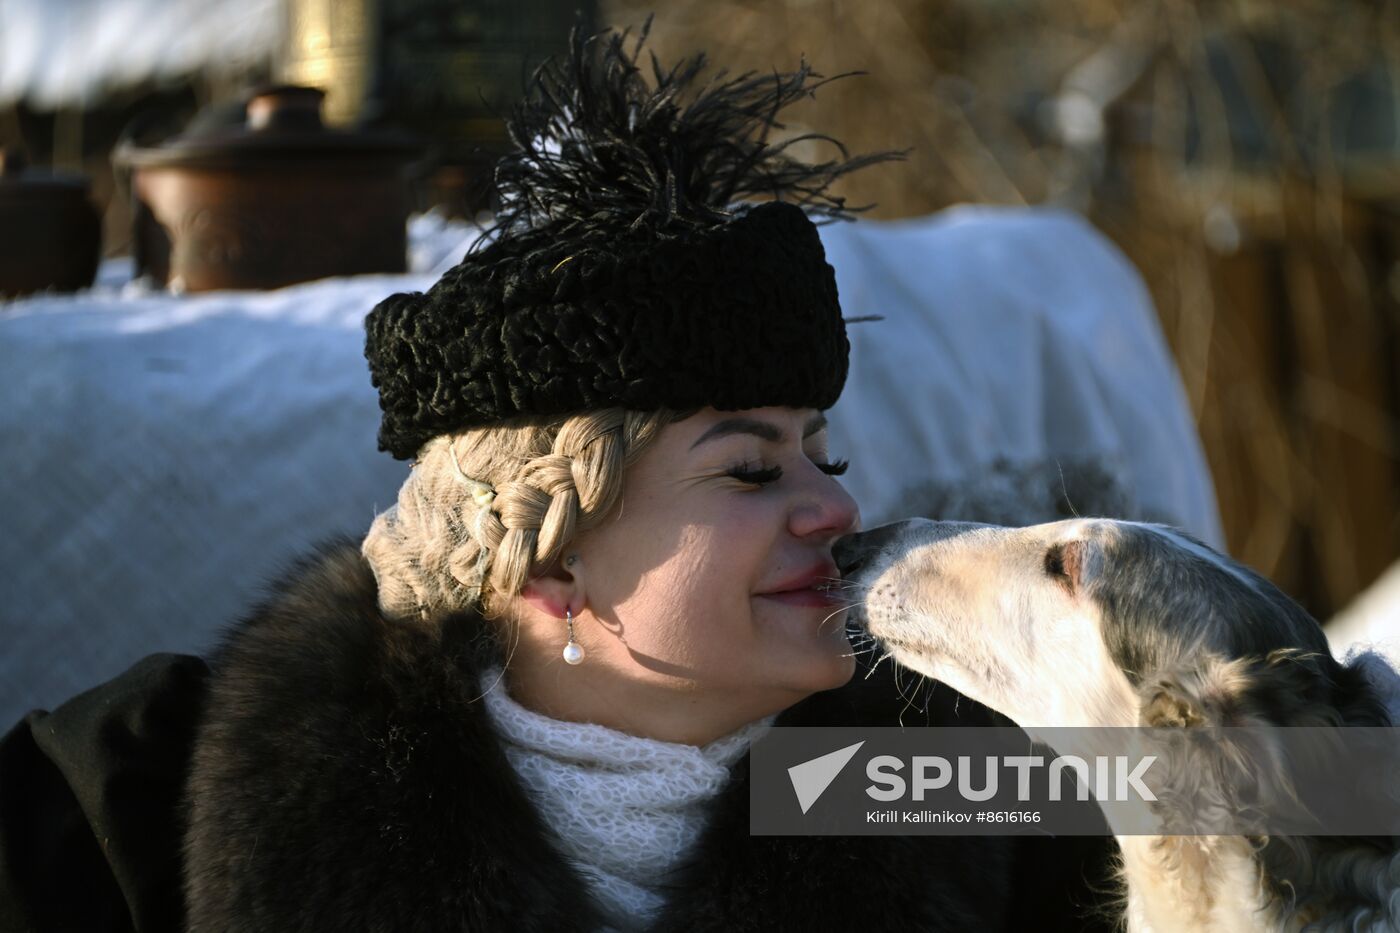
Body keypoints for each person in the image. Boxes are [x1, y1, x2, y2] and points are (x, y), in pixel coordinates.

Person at [0, 22, 1115, 933]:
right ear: (551, 563)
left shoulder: (917, 778)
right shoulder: (133, 791)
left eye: (820, 455)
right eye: (747, 472)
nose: (834, 508)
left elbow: (1271, 791)